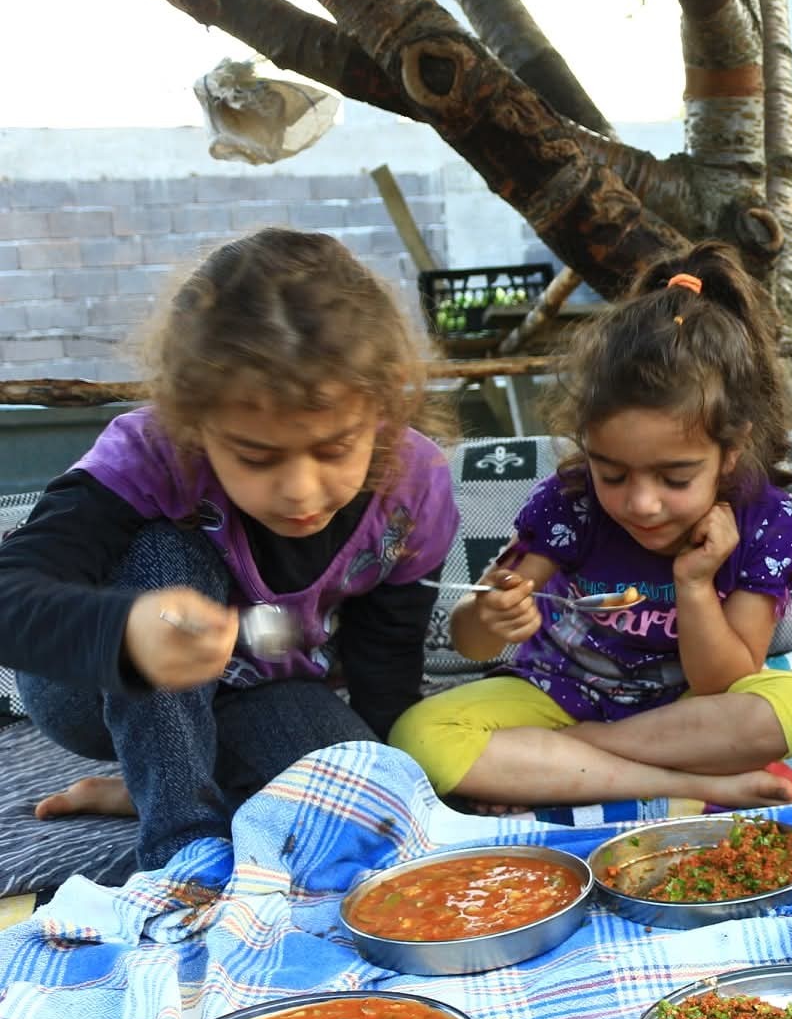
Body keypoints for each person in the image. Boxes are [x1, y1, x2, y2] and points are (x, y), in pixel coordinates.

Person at [0, 228, 459, 870]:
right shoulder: (151, 455)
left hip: (255, 691)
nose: (299, 491)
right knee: (165, 555)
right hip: (97, 687)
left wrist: (391, 777)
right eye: (254, 456)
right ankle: (181, 843)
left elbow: (385, 658)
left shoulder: (412, 487)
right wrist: (125, 633)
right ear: (196, 425)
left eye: (333, 450)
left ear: (381, 409)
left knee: (371, 802)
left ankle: (157, 784)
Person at [388, 244, 792, 809]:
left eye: (675, 477)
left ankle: (568, 758)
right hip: (558, 695)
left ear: (732, 448)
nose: (641, 504)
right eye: (613, 473)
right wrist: (491, 613)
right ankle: (690, 785)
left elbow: (724, 683)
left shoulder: (766, 522)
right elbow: (475, 643)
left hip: (689, 711)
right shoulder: (570, 503)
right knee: (418, 739)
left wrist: (694, 585)